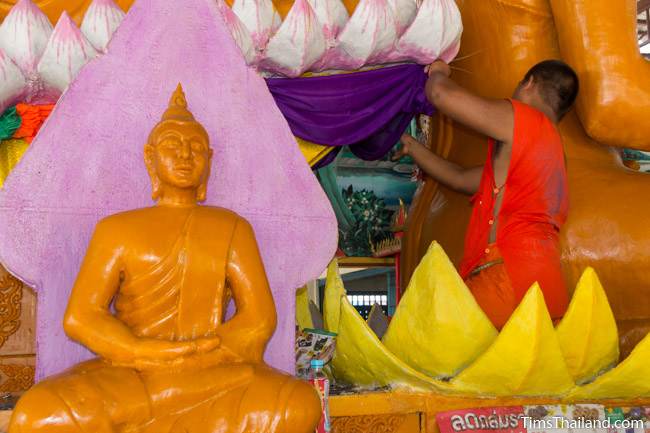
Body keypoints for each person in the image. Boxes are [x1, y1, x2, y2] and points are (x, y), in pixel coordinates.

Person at [9, 85, 321, 433]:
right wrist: (141, 351)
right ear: (150, 157)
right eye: (172, 145)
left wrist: (202, 354)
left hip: (212, 371)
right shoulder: (116, 230)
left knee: (298, 404)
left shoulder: (232, 227)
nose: (185, 155)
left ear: (210, 160)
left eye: (196, 148)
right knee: (36, 413)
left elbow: (259, 318)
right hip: (132, 373)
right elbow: (81, 317)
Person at [397, 60, 579, 328]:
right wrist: (413, 148)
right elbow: (460, 178)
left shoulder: (523, 118)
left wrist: (438, 72)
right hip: (546, 285)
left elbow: (440, 95)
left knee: (454, 356)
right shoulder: (552, 151)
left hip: (507, 279)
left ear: (528, 83)